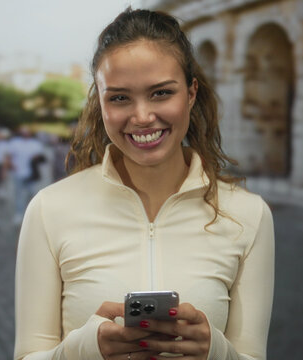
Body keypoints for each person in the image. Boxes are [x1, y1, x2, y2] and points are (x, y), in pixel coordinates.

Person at [14, 8, 274, 360]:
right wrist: (86, 348)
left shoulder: (249, 215)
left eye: (161, 93)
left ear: (191, 93)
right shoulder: (49, 210)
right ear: (100, 103)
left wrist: (216, 352)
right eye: (120, 97)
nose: (142, 117)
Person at [6, 125, 47, 226]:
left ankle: (31, 214)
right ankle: (19, 213)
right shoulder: (14, 143)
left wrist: (36, 158)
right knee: (18, 194)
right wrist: (11, 165)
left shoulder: (35, 144)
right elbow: (8, 156)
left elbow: (41, 158)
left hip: (31, 173)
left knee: (31, 193)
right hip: (18, 172)